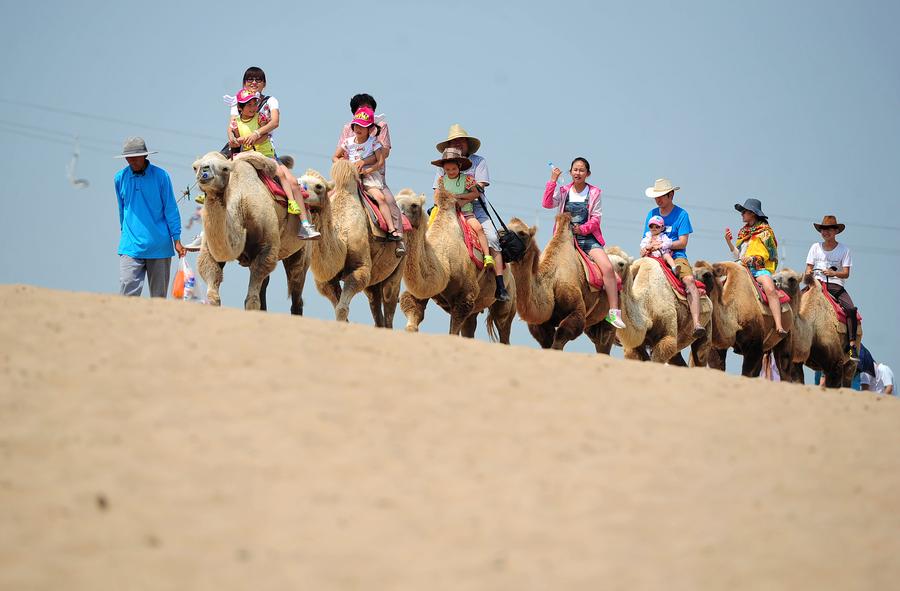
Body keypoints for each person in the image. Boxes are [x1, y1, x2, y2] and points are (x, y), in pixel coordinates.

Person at [431, 124, 510, 302]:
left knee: (492, 239)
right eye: (453, 141)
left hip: (475, 209)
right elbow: (437, 190)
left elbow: (479, 188)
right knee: (428, 234)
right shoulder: (443, 165)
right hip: (447, 209)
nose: (458, 144)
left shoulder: (478, 162)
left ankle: (500, 285)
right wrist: (445, 203)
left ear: (467, 143)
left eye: (460, 141)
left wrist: (460, 200)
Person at [546, 158, 626, 328]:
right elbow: (547, 204)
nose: (578, 173)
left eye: (582, 170)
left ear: (588, 174)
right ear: (570, 172)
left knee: (607, 268)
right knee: (545, 265)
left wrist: (581, 229)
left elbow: (596, 219)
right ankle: (539, 303)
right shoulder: (563, 191)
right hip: (564, 240)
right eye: (575, 170)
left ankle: (613, 312)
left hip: (588, 239)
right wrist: (552, 181)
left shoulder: (595, 193)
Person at [230, 89, 319, 239]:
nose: (252, 107)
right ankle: (209, 229)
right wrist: (237, 143)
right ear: (240, 107)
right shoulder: (235, 123)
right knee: (222, 175)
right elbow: (233, 142)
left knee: (281, 174)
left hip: (265, 155)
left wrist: (254, 137)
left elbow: (265, 136)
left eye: (254, 103)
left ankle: (298, 213)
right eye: (248, 104)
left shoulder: (261, 118)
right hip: (245, 155)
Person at [113, 137, 185, 297]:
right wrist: (124, 234)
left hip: (159, 246)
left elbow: (171, 209)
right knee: (127, 291)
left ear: (145, 156)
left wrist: (177, 239)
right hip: (130, 246)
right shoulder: (120, 178)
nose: (131, 161)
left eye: (135, 157)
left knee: (158, 297)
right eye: (128, 158)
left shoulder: (161, 177)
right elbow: (122, 210)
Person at [335, 93, 404, 252]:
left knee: (390, 203)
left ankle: (398, 238)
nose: (365, 110)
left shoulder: (381, 127)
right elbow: (339, 154)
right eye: (361, 108)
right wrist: (346, 167)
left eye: (368, 108)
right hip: (350, 177)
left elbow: (384, 153)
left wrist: (364, 164)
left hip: (375, 178)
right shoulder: (348, 129)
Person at [642, 178, 705, 338]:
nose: (658, 199)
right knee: (632, 278)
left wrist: (664, 246)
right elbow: (645, 238)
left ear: (671, 195)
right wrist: (647, 248)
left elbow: (683, 242)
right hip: (652, 255)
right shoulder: (651, 213)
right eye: (656, 196)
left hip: (676, 256)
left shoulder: (682, 215)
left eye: (661, 195)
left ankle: (697, 323)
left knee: (689, 280)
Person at [724, 198, 788, 336]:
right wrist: (729, 242)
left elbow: (770, 254)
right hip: (742, 267)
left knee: (770, 289)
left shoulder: (766, 232)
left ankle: (778, 325)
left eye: (744, 211)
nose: (742, 214)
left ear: (752, 213)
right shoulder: (743, 232)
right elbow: (738, 255)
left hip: (759, 269)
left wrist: (753, 259)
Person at [804, 215, 858, 360]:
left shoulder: (844, 250)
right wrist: (808, 274)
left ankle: (852, 345)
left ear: (835, 231)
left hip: (835, 284)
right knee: (794, 302)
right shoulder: (815, 247)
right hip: (815, 283)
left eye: (829, 229)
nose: (825, 232)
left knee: (851, 309)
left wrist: (833, 273)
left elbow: (846, 273)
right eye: (823, 229)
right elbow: (808, 267)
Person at [433, 148, 493, 264]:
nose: (451, 171)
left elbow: (476, 193)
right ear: (443, 169)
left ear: (459, 166)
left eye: (454, 169)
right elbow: (438, 196)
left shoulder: (467, 179)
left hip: (466, 213)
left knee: (479, 229)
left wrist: (458, 196)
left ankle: (487, 256)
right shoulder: (441, 180)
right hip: (446, 213)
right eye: (448, 169)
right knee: (430, 227)